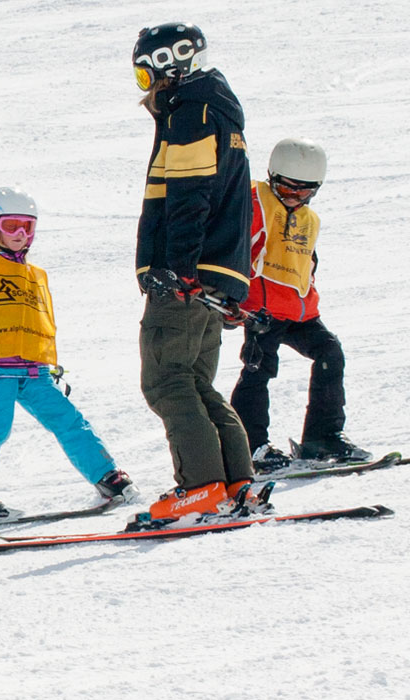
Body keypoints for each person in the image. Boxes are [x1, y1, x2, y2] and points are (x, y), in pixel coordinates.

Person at [0, 187, 133, 525]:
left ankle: (107, 476)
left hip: (33, 370)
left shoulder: (30, 273)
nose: (21, 235)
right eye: (12, 227)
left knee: (69, 421)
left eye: (28, 227)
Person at [130, 23, 261, 522]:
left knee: (166, 382)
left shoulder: (191, 113)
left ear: (171, 63)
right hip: (217, 273)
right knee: (196, 382)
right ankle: (235, 482)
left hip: (187, 277)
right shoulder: (220, 111)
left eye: (146, 74)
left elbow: (188, 198)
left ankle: (202, 487)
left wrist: (178, 269)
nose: (146, 87)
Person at [230, 139, 371, 469]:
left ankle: (321, 438)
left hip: (297, 310)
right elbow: (232, 251)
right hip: (260, 309)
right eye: (286, 188)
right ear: (272, 176)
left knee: (329, 352)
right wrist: (231, 303)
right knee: (258, 370)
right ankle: (250, 447)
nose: (293, 197)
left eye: (303, 192)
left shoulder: (309, 219)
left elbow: (305, 262)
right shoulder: (252, 203)